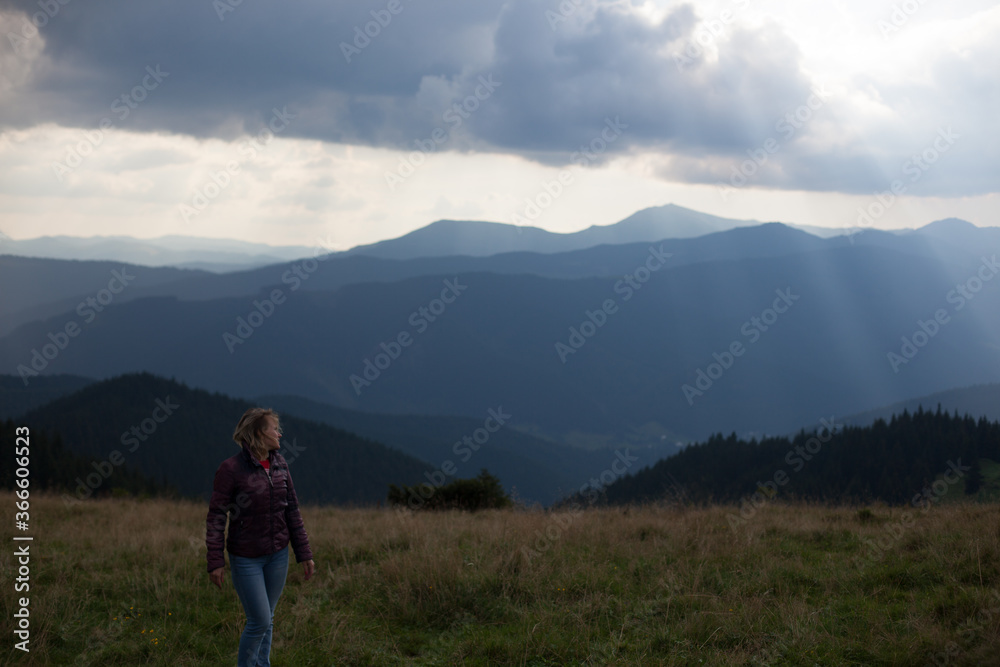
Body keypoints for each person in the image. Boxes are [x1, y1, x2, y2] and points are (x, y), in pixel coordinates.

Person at [206, 408, 315, 667]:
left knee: (268, 618)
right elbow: (216, 518)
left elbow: (293, 512)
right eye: (274, 429)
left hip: (278, 555)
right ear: (258, 433)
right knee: (260, 621)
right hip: (246, 558)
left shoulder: (280, 464)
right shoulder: (230, 469)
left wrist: (304, 553)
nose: (279, 434)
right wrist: (215, 560)